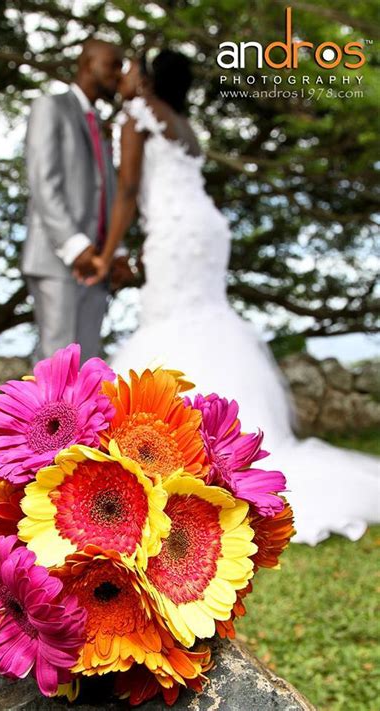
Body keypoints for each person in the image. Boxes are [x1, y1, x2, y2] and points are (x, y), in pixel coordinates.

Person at [85, 49, 380, 546]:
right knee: (202, 321)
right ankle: (229, 450)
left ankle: (186, 455)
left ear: (150, 78)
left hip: (176, 235)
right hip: (205, 229)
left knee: (172, 325)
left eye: (134, 68)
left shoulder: (135, 116)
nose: (125, 76)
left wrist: (104, 253)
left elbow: (130, 191)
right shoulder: (184, 123)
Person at [22, 38, 131, 362]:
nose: (118, 74)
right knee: (55, 364)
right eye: (113, 65)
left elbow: (109, 192)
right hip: (57, 259)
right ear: (88, 64)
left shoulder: (100, 122)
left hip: (98, 264)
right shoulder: (50, 107)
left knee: (87, 366)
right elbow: (43, 182)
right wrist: (74, 245)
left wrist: (118, 251)